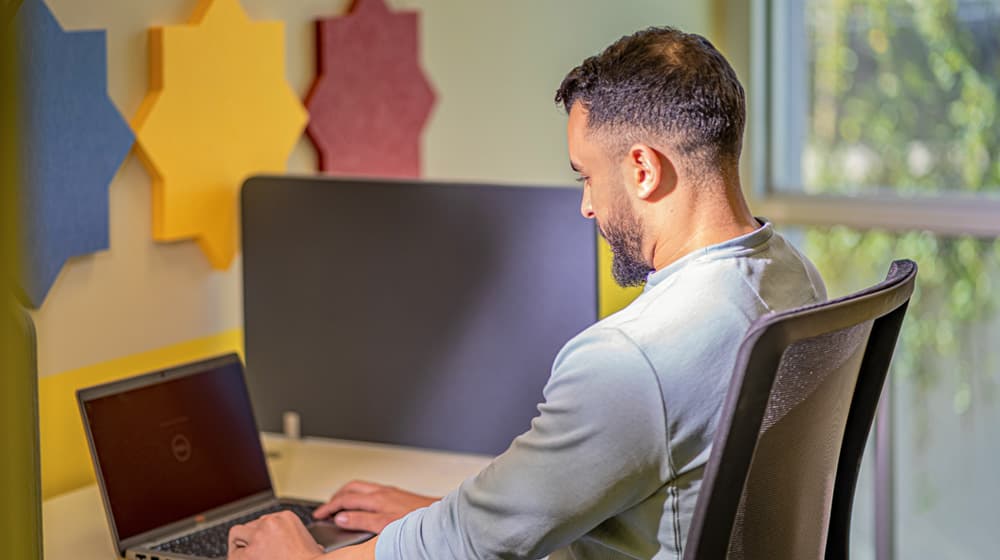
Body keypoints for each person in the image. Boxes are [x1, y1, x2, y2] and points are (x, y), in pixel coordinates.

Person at [227, 26, 826, 560]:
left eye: (587, 175)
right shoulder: (790, 276)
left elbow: (479, 547)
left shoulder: (631, 360)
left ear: (643, 169)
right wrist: (453, 513)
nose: (587, 205)